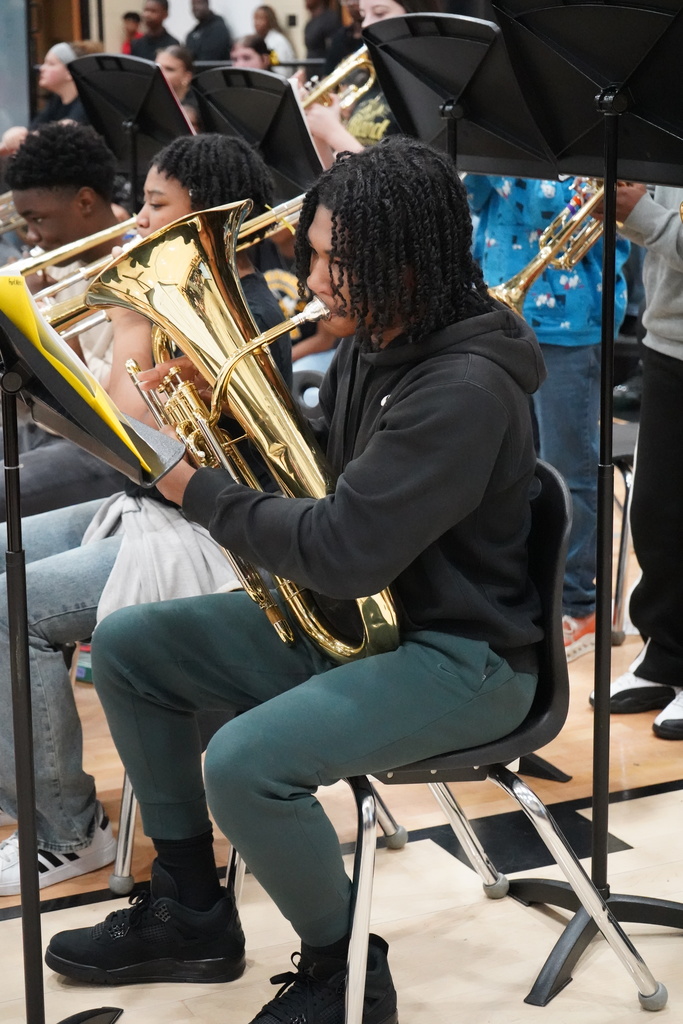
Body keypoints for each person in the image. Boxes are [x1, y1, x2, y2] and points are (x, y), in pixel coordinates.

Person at [45, 136, 544, 1024]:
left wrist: (191, 485)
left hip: (462, 657)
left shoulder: (462, 386)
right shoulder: (380, 338)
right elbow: (321, 480)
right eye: (310, 252)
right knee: (130, 646)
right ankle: (193, 910)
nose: (312, 280)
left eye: (333, 260)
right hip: (367, 624)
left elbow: (343, 548)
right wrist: (218, 416)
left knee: (244, 764)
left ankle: (344, 971)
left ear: (406, 261)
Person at [0, 132, 292, 895]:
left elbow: (138, 441)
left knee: (12, 605)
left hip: (212, 540)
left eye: (155, 207)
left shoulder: (240, 314)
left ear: (208, 217)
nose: (136, 223)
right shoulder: (187, 301)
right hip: (145, 515)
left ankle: (67, 833)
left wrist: (124, 321)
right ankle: (25, 790)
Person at [467, 175, 630, 662]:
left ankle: (580, 604)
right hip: (502, 312)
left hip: (568, 326)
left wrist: (503, 166)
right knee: (513, 469)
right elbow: (473, 200)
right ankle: (523, 589)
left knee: (569, 468)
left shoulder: (578, 132)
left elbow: (550, 208)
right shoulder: (506, 142)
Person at [1, 122, 130, 519]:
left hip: (104, 453)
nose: (33, 237)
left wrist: (38, 325)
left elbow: (110, 413)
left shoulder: (135, 271)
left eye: (38, 220)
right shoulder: (57, 267)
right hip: (42, 428)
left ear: (86, 202)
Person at [597, 184, 683, 739]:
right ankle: (668, 654)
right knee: (656, 514)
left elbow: (660, 223)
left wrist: (645, 217)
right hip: (669, 341)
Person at [302, 0, 438, 166]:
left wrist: (333, 133)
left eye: (380, 13)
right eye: (363, 15)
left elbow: (400, 185)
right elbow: (335, 175)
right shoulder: (371, 80)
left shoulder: (430, 90)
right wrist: (319, 133)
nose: (366, 24)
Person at [0, 41, 103, 158]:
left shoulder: (87, 102)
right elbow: (33, 131)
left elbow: (64, 129)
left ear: (70, 72)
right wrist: (10, 142)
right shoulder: (55, 102)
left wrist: (20, 137)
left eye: (51, 64)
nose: (42, 68)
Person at [253, 5, 298, 76]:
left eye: (261, 19)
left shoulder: (277, 41)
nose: (256, 23)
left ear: (269, 20)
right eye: (255, 19)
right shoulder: (261, 40)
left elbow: (281, 71)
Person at [324, 0, 364, 74]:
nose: (351, 4)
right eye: (347, 1)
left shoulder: (375, 36)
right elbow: (328, 72)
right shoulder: (340, 37)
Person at [155, 44, 198, 108]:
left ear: (187, 77)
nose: (160, 73)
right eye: (157, 67)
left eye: (169, 69)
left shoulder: (192, 109)